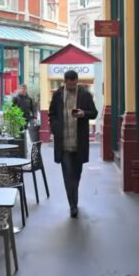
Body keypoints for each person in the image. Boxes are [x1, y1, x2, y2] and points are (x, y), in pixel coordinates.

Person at [48, 70, 98, 218]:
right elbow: (51, 114)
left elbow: (94, 113)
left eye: (74, 84)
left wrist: (84, 114)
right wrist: (56, 129)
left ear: (77, 81)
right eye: (69, 84)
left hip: (79, 143)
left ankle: (73, 198)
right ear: (65, 82)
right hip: (63, 144)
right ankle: (73, 205)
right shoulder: (57, 95)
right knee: (67, 174)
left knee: (76, 174)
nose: (72, 87)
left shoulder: (84, 94)